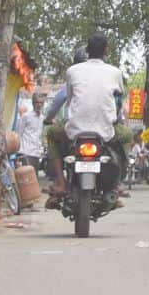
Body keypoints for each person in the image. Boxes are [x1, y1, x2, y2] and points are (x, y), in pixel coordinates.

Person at [46, 33, 128, 192]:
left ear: (87, 49)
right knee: (128, 136)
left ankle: (61, 183)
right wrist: (117, 119)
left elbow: (68, 99)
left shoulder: (72, 71)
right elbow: (118, 101)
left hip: (75, 130)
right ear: (106, 50)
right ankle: (118, 183)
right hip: (106, 131)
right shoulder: (115, 72)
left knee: (51, 134)